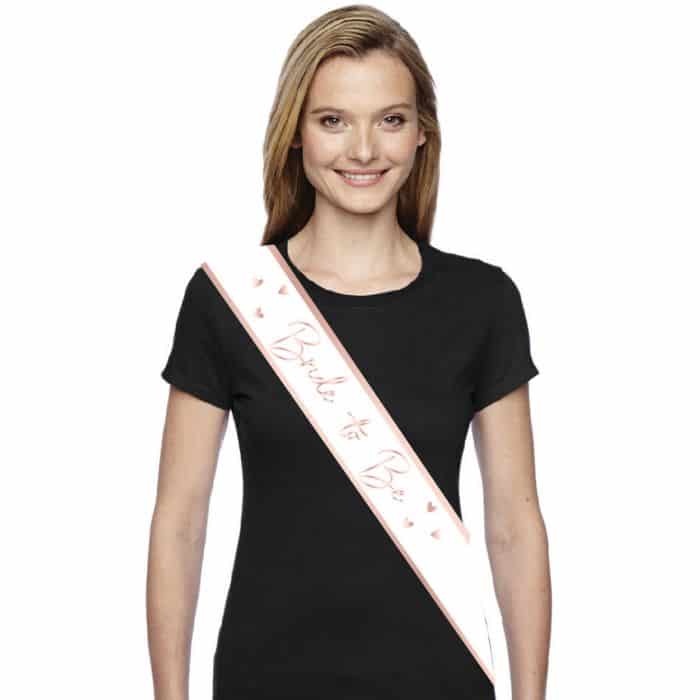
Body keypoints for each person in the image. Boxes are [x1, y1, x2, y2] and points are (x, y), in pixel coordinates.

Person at [147, 5, 551, 700]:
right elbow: (179, 524)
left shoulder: (482, 301)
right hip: (266, 680)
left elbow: (515, 527)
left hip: (440, 681)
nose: (363, 150)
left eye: (389, 120)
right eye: (333, 120)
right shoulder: (231, 299)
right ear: (295, 134)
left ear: (421, 133)